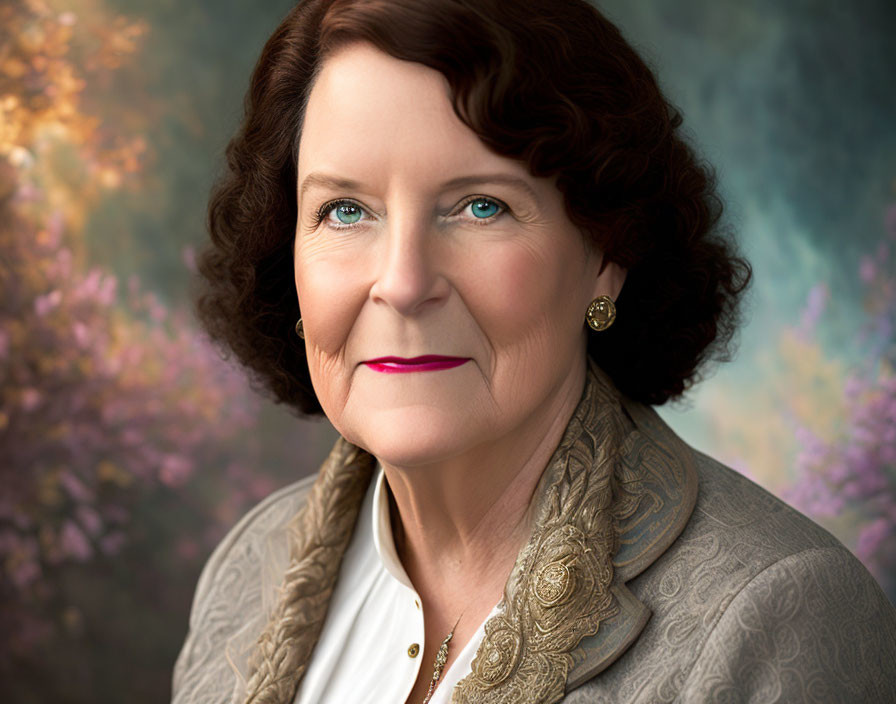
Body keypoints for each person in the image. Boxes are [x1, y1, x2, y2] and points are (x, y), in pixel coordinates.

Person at [171, 1, 896, 702]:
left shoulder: (775, 616)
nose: (402, 283)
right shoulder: (249, 570)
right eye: (345, 210)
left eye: (481, 205)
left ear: (607, 251)